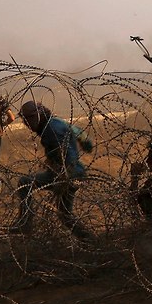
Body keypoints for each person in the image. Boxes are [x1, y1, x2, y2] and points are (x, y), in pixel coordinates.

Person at [10, 101, 94, 241]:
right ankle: (88, 239)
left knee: (25, 183)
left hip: (68, 174)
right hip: (69, 172)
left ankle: (25, 223)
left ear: (38, 116)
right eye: (24, 120)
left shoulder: (51, 129)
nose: (26, 124)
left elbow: (68, 155)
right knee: (64, 214)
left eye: (28, 119)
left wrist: (65, 176)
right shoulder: (55, 122)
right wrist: (87, 146)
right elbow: (80, 133)